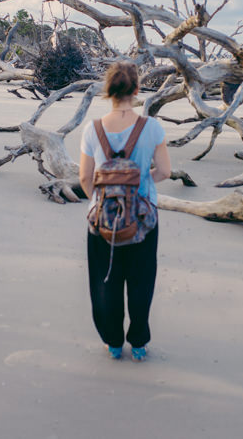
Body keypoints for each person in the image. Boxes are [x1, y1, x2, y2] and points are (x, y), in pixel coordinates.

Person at [79, 61, 171, 361]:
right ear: (136, 89)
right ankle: (140, 343)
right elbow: (166, 172)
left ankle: (114, 343)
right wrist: (141, 185)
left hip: (102, 220)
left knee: (106, 282)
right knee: (141, 282)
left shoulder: (92, 130)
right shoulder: (152, 127)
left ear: (108, 90)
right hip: (143, 219)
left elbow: (84, 178)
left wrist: (103, 201)